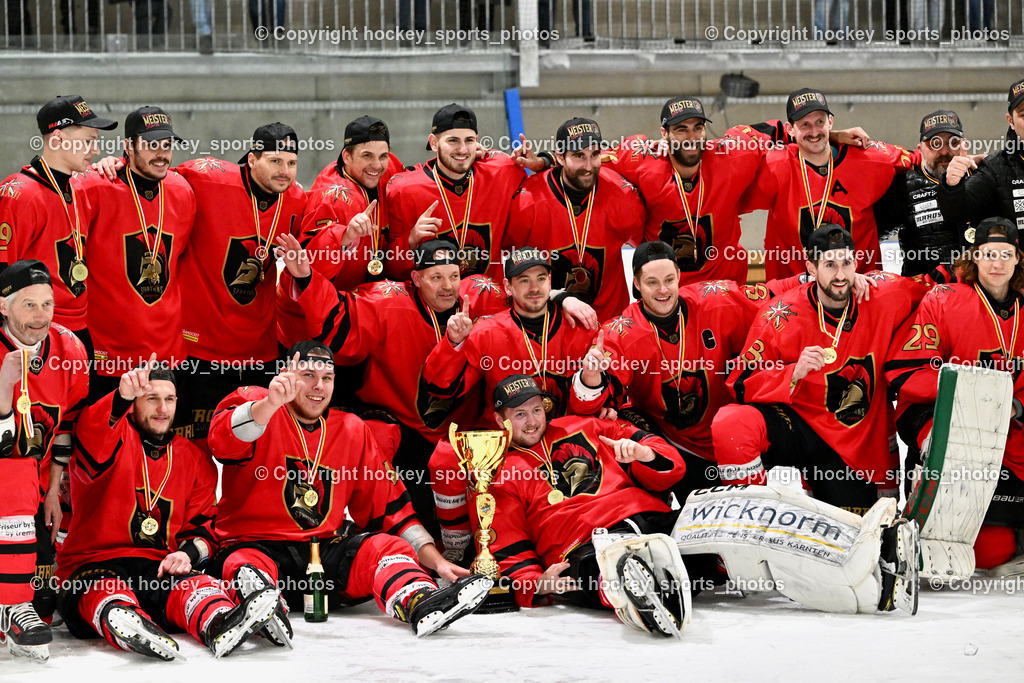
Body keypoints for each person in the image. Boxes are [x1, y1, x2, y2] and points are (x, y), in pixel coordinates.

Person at [482, 375, 918, 636]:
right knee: (597, 569)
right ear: (500, 419)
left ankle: (865, 554)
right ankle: (645, 591)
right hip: (587, 545)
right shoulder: (497, 472)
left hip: (657, 522)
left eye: (536, 409)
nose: (532, 420)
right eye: (520, 414)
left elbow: (667, 466)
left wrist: (645, 454)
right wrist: (537, 582)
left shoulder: (585, 425)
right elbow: (509, 548)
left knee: (746, 524)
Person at [206, 341, 493, 637]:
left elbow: (390, 509)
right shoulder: (258, 401)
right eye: (308, 375)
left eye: (327, 378)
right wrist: (270, 404)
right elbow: (222, 443)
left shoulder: (352, 429)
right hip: (256, 546)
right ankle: (264, 609)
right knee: (243, 563)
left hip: (322, 560)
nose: (319, 386)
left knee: (387, 546)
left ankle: (421, 601)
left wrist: (438, 563)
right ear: (286, 374)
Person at [277, 235, 507, 540]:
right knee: (368, 434)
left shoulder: (481, 295)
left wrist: (562, 299)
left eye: (453, 276)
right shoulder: (388, 300)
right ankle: (351, 532)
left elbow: (529, 299)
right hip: (398, 422)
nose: (447, 286)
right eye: (436, 277)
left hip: (462, 434)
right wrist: (305, 276)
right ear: (415, 278)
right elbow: (340, 322)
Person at [57, 359, 282, 660]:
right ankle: (123, 620)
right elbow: (94, 433)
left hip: (156, 566)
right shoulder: (112, 436)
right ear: (134, 401)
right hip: (93, 563)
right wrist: (120, 396)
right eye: (152, 399)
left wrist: (186, 555)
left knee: (197, 584)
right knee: (105, 589)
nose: (162, 409)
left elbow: (203, 529)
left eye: (169, 399)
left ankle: (220, 623)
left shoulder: (194, 459)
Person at [712, 224, 919, 513]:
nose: (840, 275)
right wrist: (791, 372)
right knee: (733, 422)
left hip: (853, 445)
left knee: (855, 539)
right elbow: (740, 382)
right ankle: (747, 520)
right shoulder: (780, 314)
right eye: (830, 265)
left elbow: (937, 290)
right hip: (800, 428)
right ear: (810, 266)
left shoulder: (884, 294)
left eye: (847, 263)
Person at [568, 241, 770, 503]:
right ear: (637, 285)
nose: (663, 290)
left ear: (679, 277)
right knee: (618, 419)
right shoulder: (620, 332)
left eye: (669, 280)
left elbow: (777, 299)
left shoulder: (717, 298)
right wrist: (591, 377)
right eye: (652, 282)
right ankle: (652, 510)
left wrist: (817, 276)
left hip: (729, 438)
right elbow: (585, 407)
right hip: (671, 442)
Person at [887, 217, 1024, 570]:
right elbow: (907, 371)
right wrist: (969, 397)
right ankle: (924, 522)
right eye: (988, 254)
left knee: (996, 549)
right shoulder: (944, 299)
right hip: (944, 417)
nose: (997, 263)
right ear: (973, 256)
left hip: (1010, 426)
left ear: (1018, 259)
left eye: (1006, 255)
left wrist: (1014, 405)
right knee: (945, 446)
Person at [175, 123, 306, 445]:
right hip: (198, 348)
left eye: (291, 163)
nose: (284, 171)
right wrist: (116, 164)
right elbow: (152, 172)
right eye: (275, 161)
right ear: (251, 159)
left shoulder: (296, 199)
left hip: (258, 350)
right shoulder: (207, 178)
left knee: (256, 447)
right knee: (194, 448)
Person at [0, 260, 89, 661]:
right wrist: (3, 390)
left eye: (48, 305)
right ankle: (11, 604)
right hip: (8, 477)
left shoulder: (69, 349)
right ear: (4, 307)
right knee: (16, 464)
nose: (41, 317)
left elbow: (65, 424)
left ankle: (21, 602)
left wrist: (53, 490)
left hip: (30, 490)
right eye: (29, 305)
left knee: (46, 604)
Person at [76, 106, 196, 402]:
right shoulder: (96, 186)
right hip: (109, 357)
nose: (162, 154)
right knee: (106, 442)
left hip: (169, 356)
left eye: (166, 145)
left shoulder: (182, 191)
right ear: (128, 146)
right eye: (151, 145)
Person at [739, 88, 917, 280]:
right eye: (804, 125)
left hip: (860, 293)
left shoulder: (870, 158)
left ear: (830, 122)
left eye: (820, 123)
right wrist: (833, 135)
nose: (814, 131)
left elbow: (925, 160)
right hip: (794, 295)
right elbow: (738, 139)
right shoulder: (774, 165)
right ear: (790, 129)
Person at [0, 95, 117, 355]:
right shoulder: (19, 195)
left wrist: (118, 162)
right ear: (57, 138)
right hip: (36, 333)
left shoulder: (79, 187)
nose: (96, 151)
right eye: (89, 141)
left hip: (81, 329)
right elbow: (3, 273)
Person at [422, 246, 598, 420]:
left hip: (564, 434)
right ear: (508, 286)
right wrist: (453, 342)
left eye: (540, 279)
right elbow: (440, 388)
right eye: (524, 280)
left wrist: (603, 406)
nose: (534, 288)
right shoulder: (486, 332)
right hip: (507, 438)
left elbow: (603, 393)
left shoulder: (581, 326)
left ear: (550, 281)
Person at [277, 116, 406, 351]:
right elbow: (307, 267)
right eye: (367, 156)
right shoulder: (333, 197)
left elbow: (414, 174)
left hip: (356, 312)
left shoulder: (382, 168)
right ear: (347, 156)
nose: (376, 164)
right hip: (313, 327)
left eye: (383, 156)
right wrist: (344, 237)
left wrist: (473, 157)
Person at [506, 117, 646, 321]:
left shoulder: (623, 196)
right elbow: (509, 266)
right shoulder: (528, 201)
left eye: (594, 154)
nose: (589, 166)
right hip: (548, 327)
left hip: (609, 326)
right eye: (579, 156)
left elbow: (649, 251)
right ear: (560, 158)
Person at [384, 103, 544, 280]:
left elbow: (570, 168)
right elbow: (390, 269)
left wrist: (541, 161)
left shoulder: (503, 171)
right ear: (434, 143)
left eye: (469, 140)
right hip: (433, 303)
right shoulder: (404, 189)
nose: (462, 149)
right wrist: (411, 239)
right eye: (453, 140)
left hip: (490, 301)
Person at [875, 110, 970, 276]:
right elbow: (868, 234)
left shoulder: (982, 179)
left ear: (964, 145)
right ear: (920, 149)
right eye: (935, 144)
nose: (944, 151)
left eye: (953, 142)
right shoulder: (903, 186)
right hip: (923, 293)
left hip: (973, 291)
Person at [938, 77, 1024, 231]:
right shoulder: (994, 168)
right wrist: (952, 185)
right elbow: (959, 214)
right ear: (1011, 121)